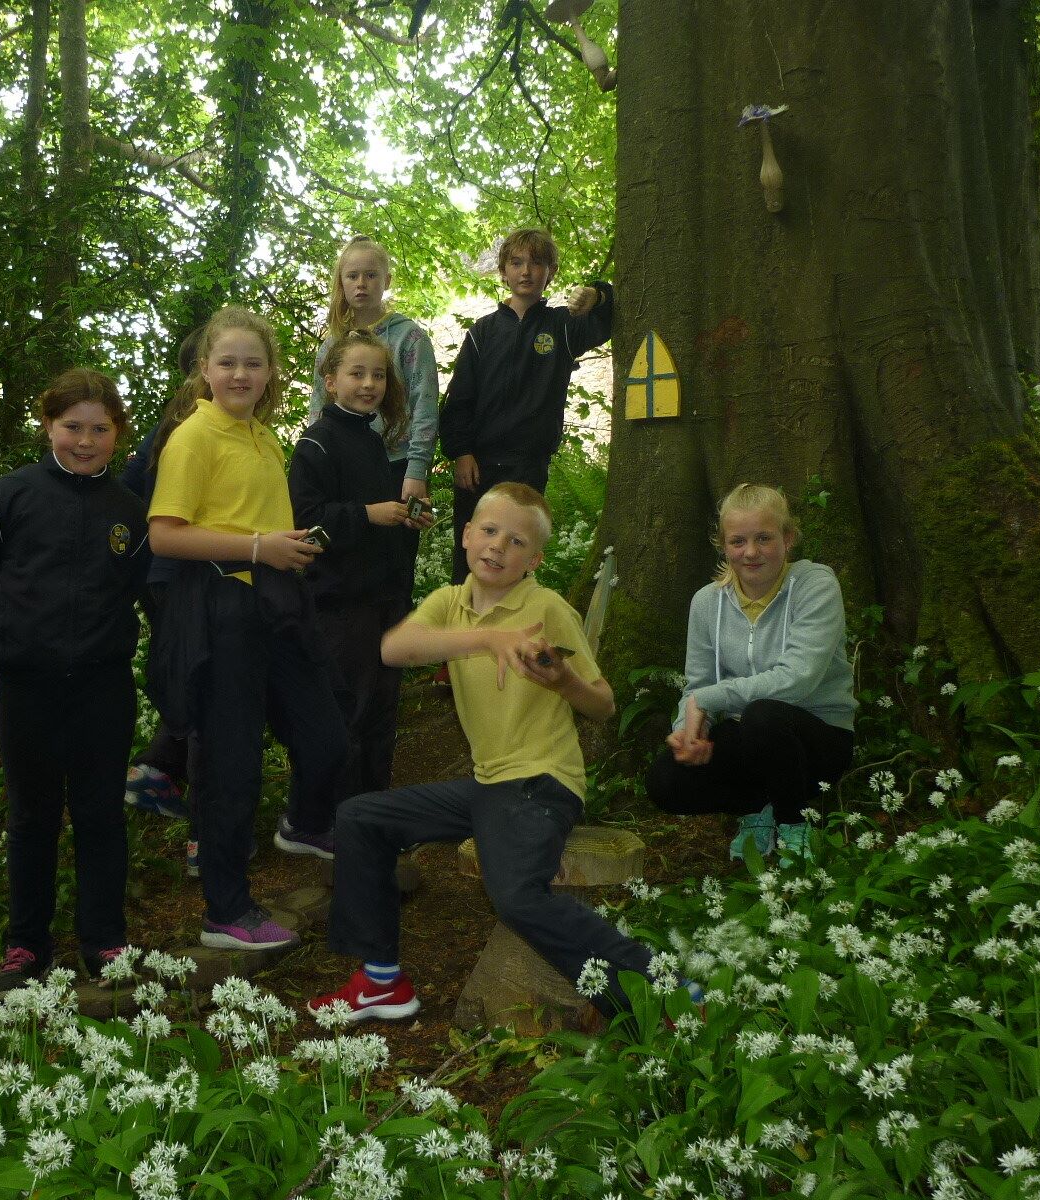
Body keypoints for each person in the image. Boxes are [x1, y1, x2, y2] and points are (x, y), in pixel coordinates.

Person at [310, 483, 662, 1024]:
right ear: (467, 535)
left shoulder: (547, 608)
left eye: (517, 540)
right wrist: (486, 641)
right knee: (361, 818)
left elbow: (604, 706)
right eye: (490, 531)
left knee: (518, 896)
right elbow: (393, 648)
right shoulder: (450, 603)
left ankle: (654, 987)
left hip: (542, 782)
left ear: (535, 559)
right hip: (486, 784)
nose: (499, 546)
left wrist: (564, 678)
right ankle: (381, 979)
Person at [147, 306, 349, 951]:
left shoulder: (263, 437)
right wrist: (260, 547)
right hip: (222, 611)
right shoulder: (193, 437)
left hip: (279, 609)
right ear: (205, 369)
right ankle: (226, 910)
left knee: (325, 736)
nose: (240, 373)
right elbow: (164, 535)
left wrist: (285, 549)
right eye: (227, 362)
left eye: (253, 363)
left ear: (270, 374)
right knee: (233, 765)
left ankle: (304, 824)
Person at [0, 369, 149, 991]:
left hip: (103, 686)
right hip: (27, 685)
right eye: (73, 427)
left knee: (100, 814)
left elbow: (138, 589)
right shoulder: (6, 496)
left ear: (117, 434)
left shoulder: (129, 509)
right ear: (48, 426)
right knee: (32, 814)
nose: (85, 440)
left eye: (100, 429)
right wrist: (25, 638)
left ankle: (103, 939)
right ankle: (27, 944)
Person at [646, 483, 856, 867]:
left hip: (816, 737)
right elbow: (698, 686)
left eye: (764, 538)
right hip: (750, 739)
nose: (751, 552)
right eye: (738, 541)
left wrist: (708, 700)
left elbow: (800, 677)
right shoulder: (707, 603)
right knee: (665, 780)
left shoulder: (816, 585)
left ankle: (794, 825)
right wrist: (690, 732)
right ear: (723, 545)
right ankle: (757, 811)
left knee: (764, 715)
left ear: (788, 539)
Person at [290, 330, 427, 806]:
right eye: (357, 373)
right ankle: (333, 822)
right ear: (330, 381)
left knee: (381, 715)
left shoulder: (372, 440)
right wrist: (368, 514)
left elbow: (379, 516)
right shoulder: (316, 444)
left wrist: (405, 518)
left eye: (379, 375)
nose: (369, 384)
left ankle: (375, 815)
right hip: (341, 608)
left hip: (385, 601)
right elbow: (306, 527)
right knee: (347, 713)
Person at [437, 227, 614, 583]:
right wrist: (461, 452)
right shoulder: (482, 332)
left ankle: (510, 633)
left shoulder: (563, 325)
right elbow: (460, 398)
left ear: (551, 273)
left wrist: (597, 294)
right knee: (471, 557)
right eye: (516, 263)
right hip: (479, 467)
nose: (526, 271)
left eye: (537, 263)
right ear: (503, 272)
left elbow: (608, 319)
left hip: (528, 464)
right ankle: (465, 633)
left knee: (515, 556)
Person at [120, 330, 202, 835]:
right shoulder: (191, 429)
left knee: (186, 676)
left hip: (161, 573)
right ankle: (202, 825)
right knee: (199, 684)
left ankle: (157, 770)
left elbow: (127, 492)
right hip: (181, 575)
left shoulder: (167, 426)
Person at [308, 236, 440, 511]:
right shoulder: (333, 343)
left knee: (394, 548)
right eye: (352, 276)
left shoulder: (409, 337)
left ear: (387, 281)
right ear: (341, 283)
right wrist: (314, 458)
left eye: (371, 275)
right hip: (341, 465)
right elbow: (318, 405)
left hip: (396, 466)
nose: (361, 283)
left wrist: (416, 469)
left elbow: (424, 405)